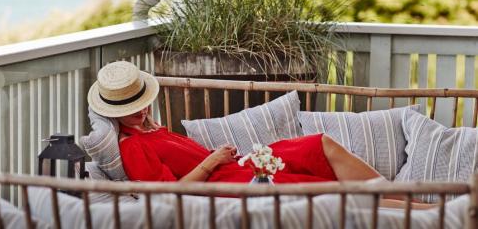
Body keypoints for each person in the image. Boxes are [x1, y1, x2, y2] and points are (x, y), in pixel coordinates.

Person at [87, 61, 434, 209]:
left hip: (239, 166)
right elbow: (165, 195)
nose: (142, 111)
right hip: (227, 189)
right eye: (131, 109)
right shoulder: (131, 147)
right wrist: (210, 162)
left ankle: (403, 198)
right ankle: (422, 211)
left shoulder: (151, 128)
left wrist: (221, 159)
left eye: (143, 103)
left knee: (318, 143)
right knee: (329, 195)